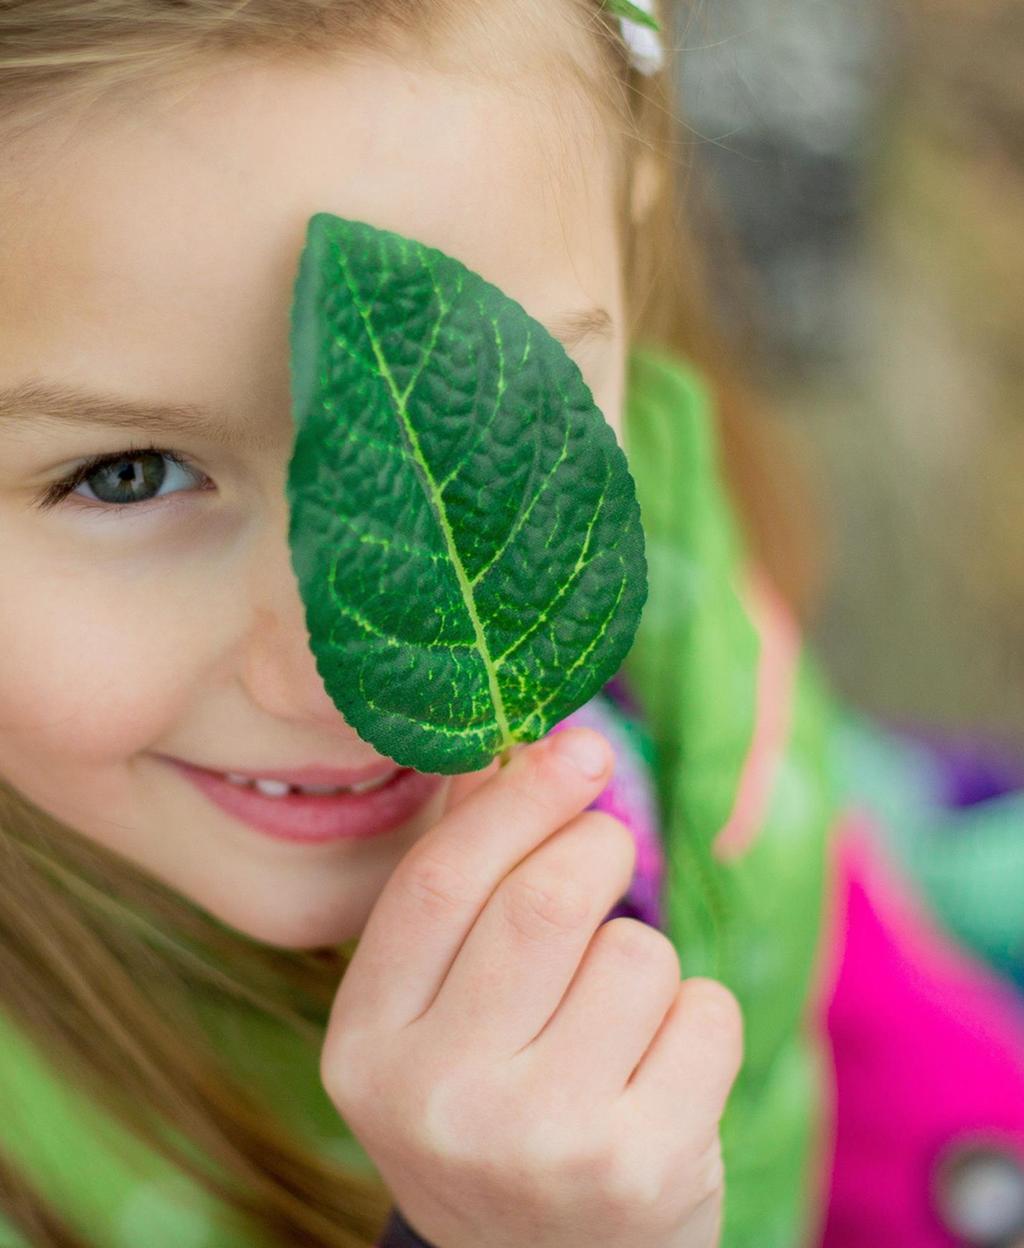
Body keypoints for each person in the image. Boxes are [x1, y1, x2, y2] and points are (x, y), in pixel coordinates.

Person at [1, 3, 1022, 1247]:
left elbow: (807, 887)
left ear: (631, 210)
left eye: (483, 408)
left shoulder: (664, 541)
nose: (333, 677)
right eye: (128, 474)